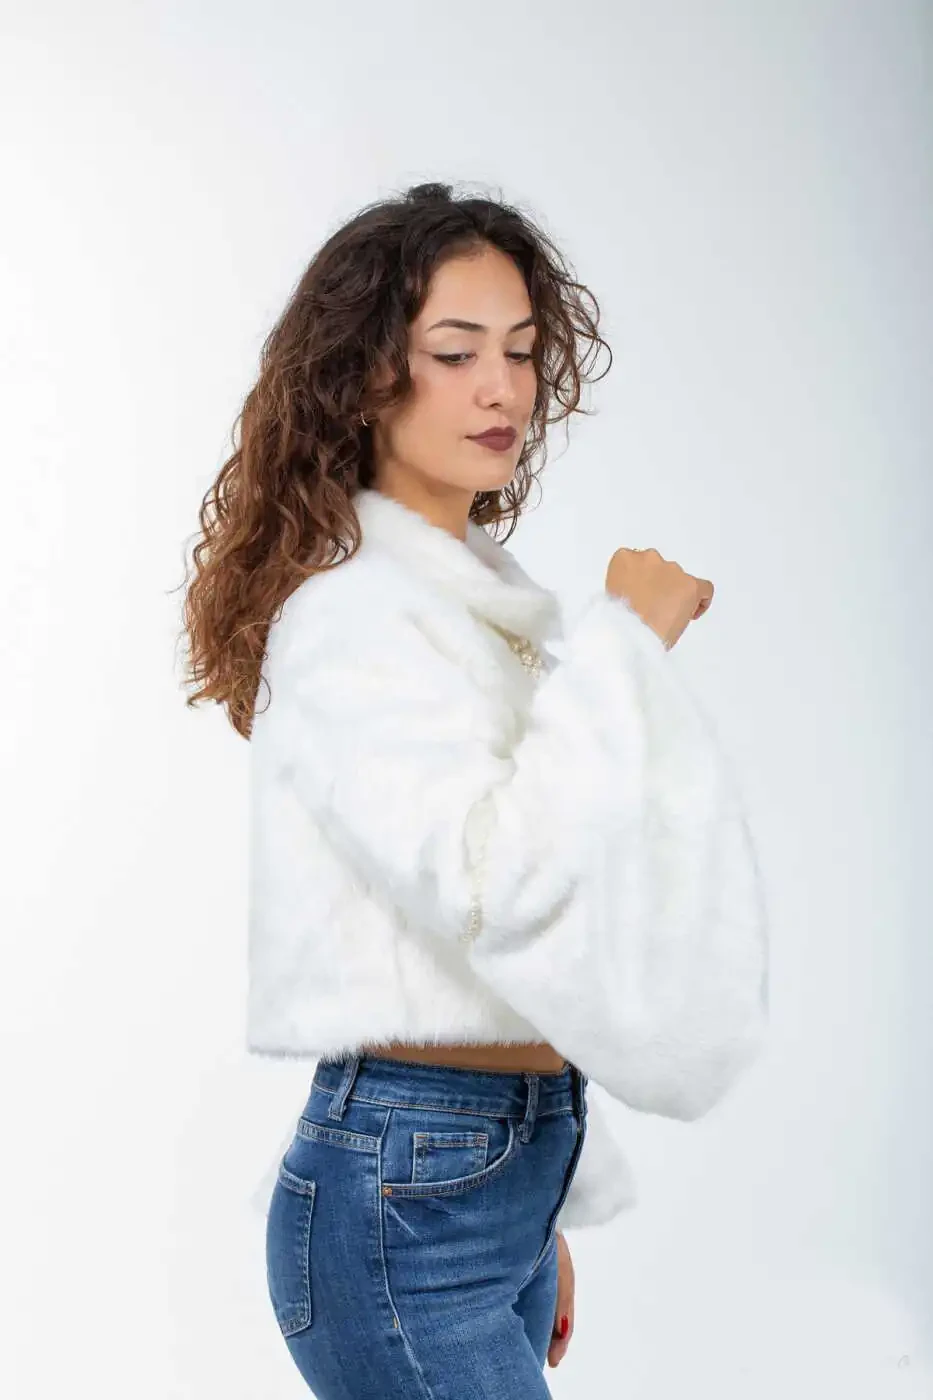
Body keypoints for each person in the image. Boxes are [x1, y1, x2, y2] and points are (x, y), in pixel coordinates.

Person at [180, 181, 769, 1398]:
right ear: (363, 377)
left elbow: (534, 913)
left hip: (465, 1178)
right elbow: (490, 883)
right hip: (408, 1195)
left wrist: (530, 1199)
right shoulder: (352, 616)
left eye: (522, 350)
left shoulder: (465, 593)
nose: (503, 388)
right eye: (456, 353)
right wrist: (625, 645)